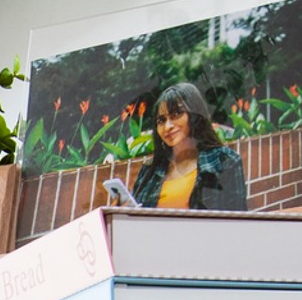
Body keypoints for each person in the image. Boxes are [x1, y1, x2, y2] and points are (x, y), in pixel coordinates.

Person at [102, 83, 247, 211]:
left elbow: (237, 225)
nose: (168, 126)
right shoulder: (149, 171)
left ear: (195, 115)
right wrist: (122, 214)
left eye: (176, 114)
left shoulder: (225, 161)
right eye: (161, 120)